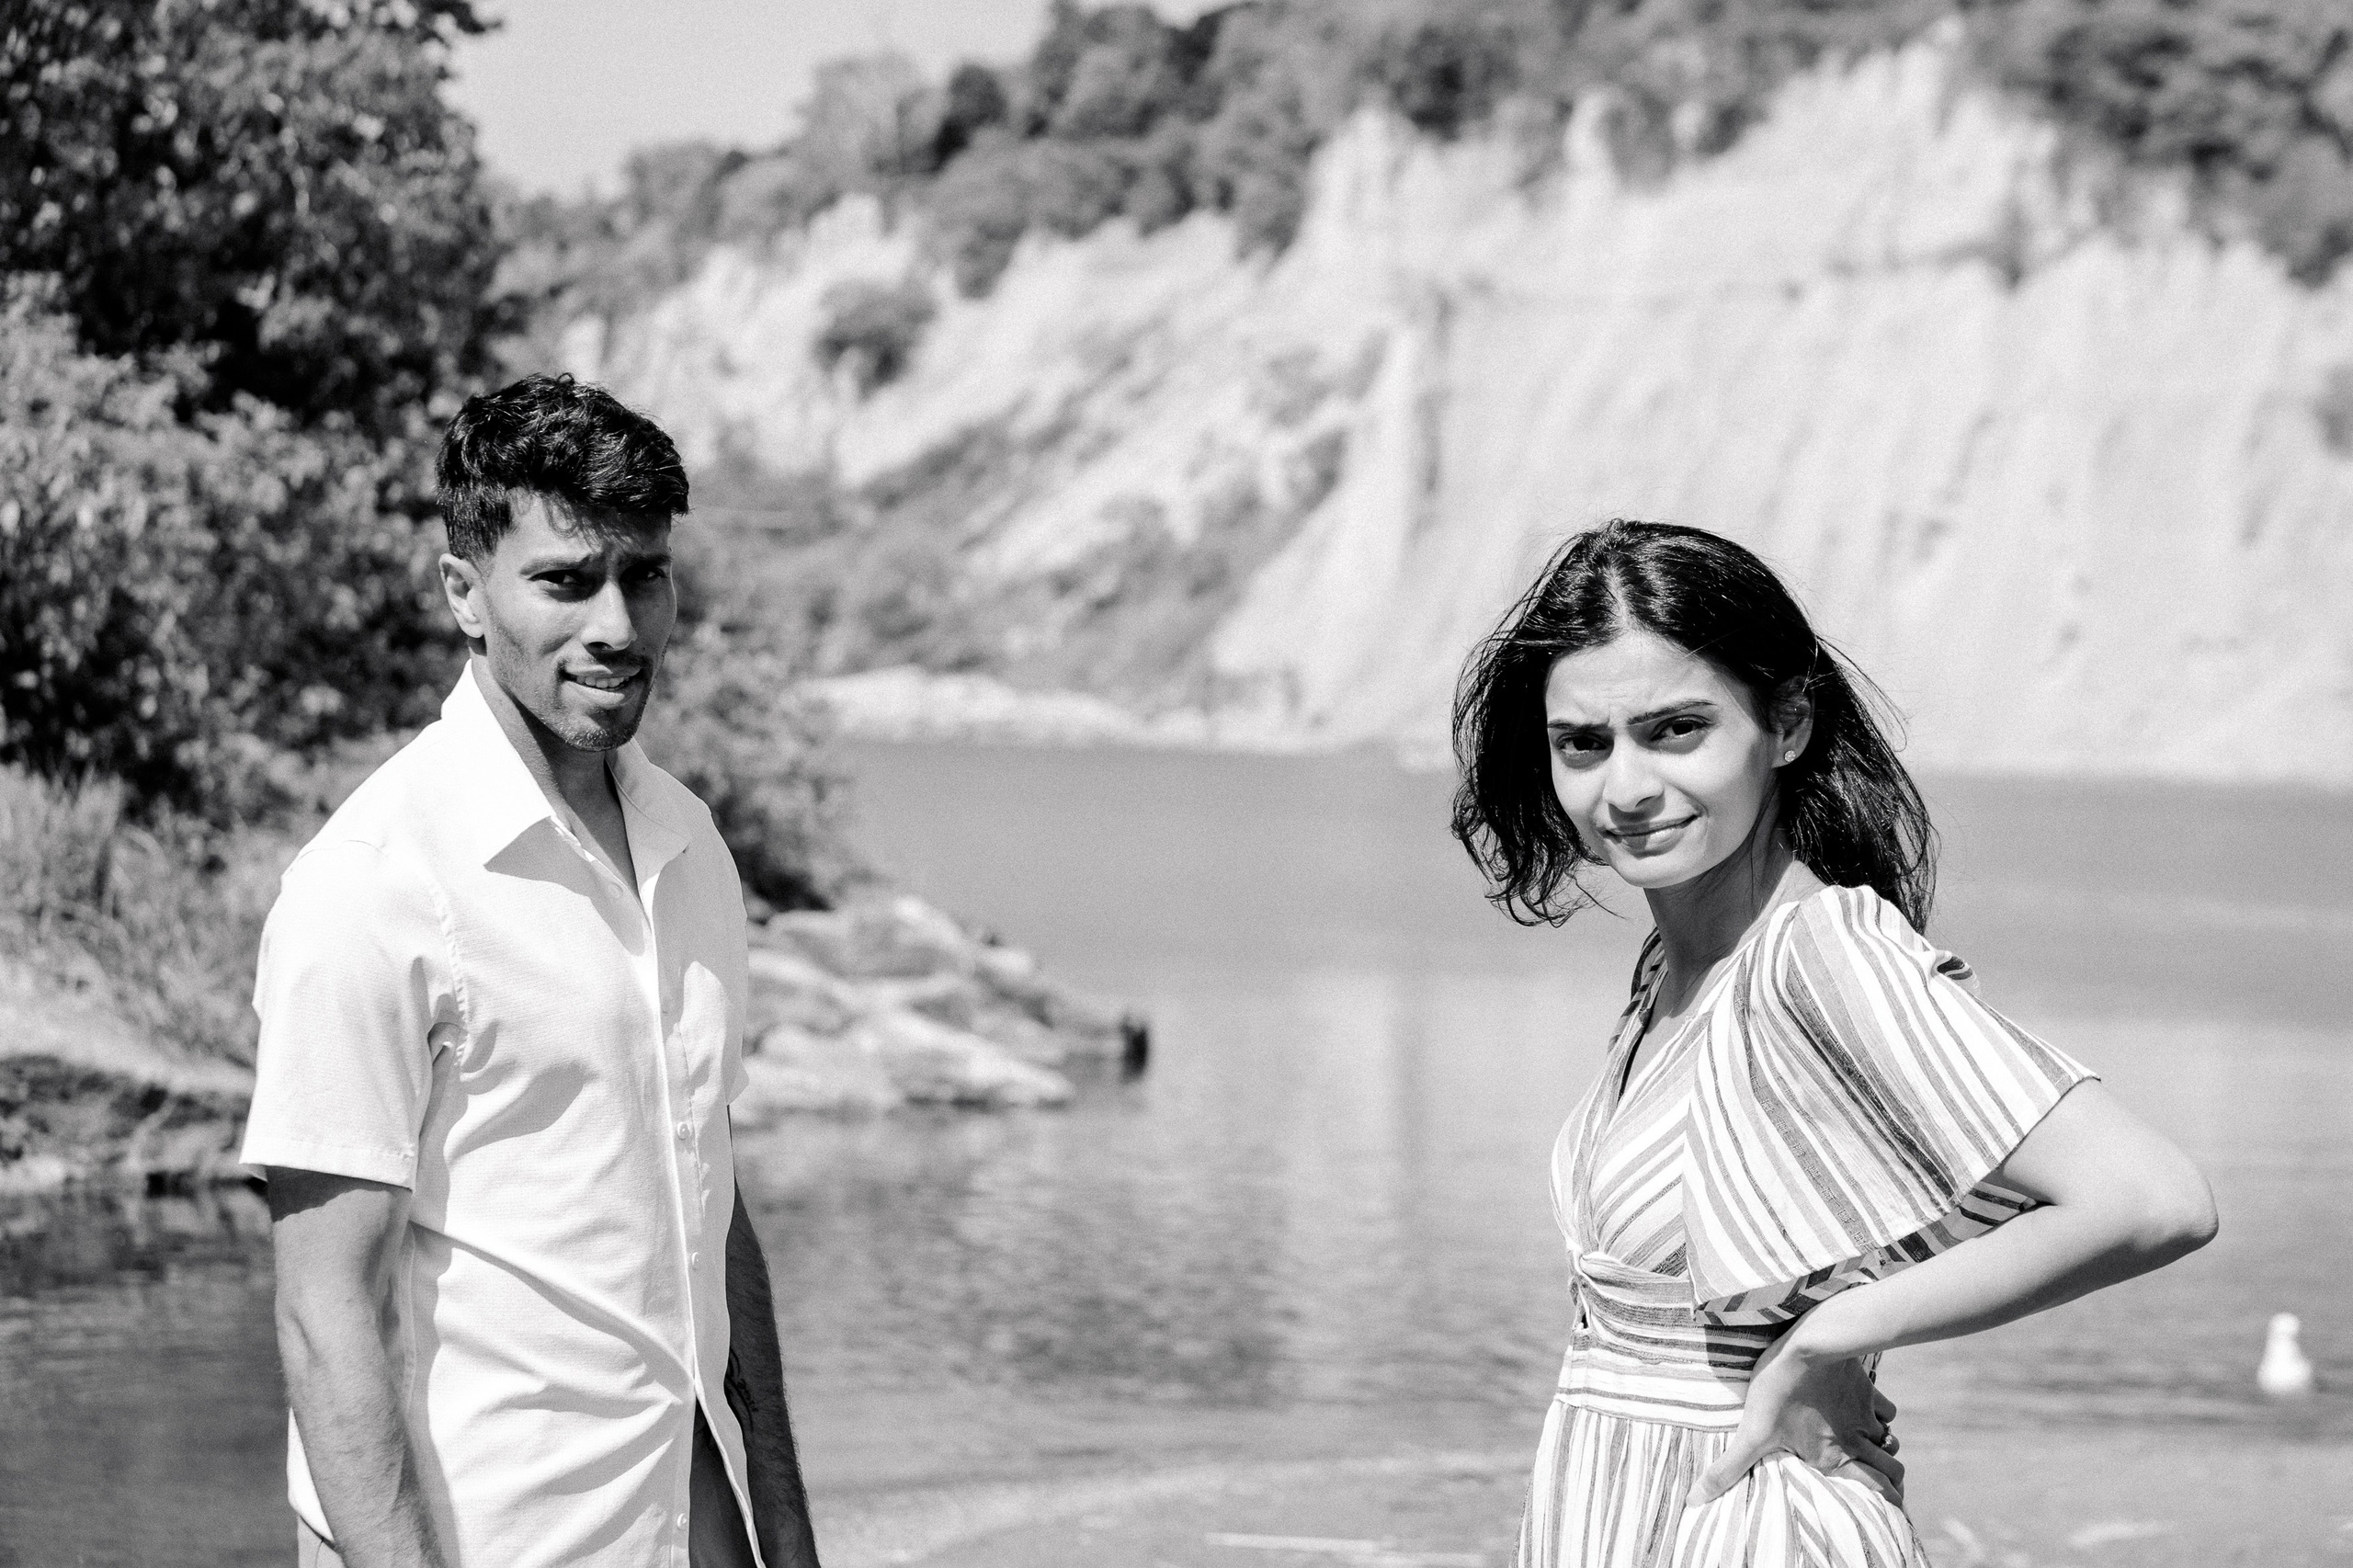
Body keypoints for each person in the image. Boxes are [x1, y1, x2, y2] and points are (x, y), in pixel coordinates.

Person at [1449, 520, 2217, 1566]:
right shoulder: (1673, 969)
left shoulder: (1817, 951)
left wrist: (1828, 1339)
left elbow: (2149, 1198)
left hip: (1749, 1523)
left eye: (1675, 728)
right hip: (1619, 1501)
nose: (1622, 785)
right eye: (1584, 740)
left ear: (1788, 724)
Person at [241, 374, 823, 1568]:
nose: (616, 623)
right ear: (465, 592)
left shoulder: (693, 849)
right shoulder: (374, 883)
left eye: (644, 574)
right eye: (566, 580)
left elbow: (710, 1201)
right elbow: (320, 1309)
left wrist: (788, 1533)